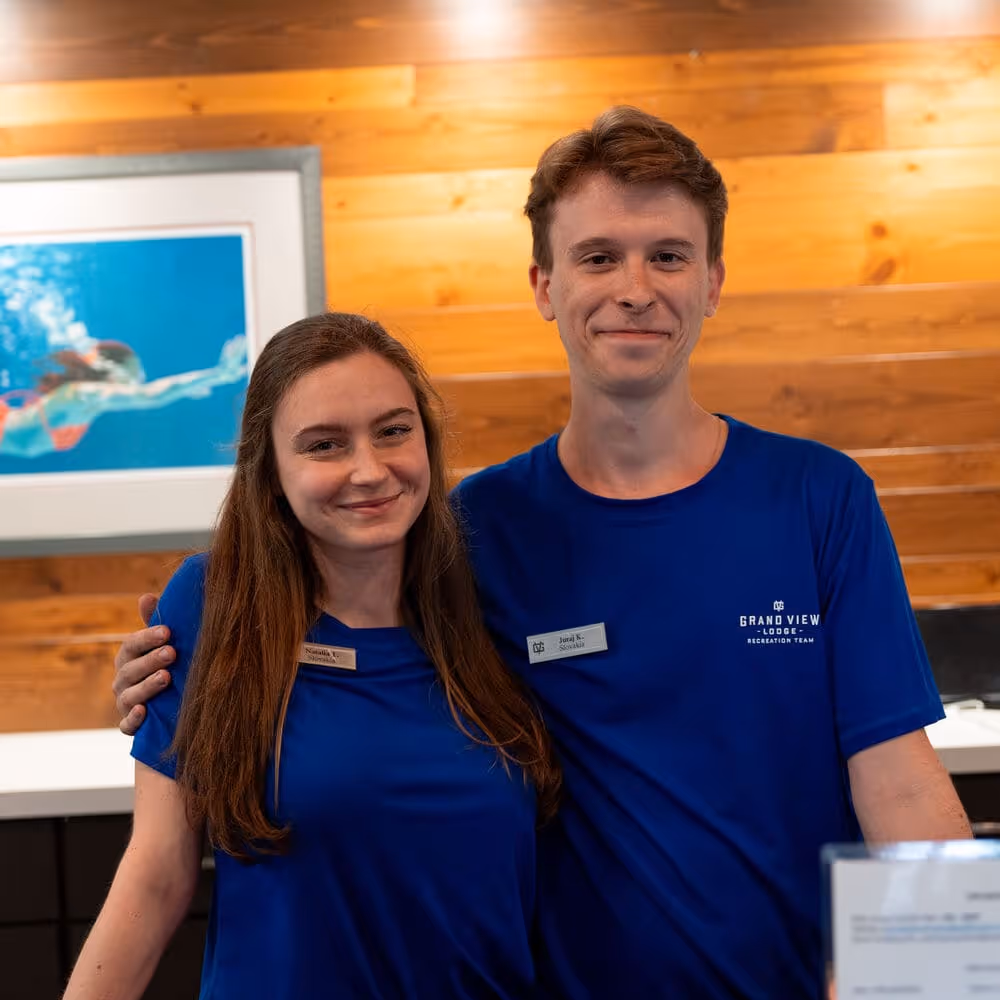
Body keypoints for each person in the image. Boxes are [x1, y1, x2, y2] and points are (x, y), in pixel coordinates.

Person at [112, 107, 971, 999]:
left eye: (668, 255)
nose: (634, 287)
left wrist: (935, 982)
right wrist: (178, 658)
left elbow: (904, 794)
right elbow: (326, 635)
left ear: (713, 280)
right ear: (544, 285)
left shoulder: (818, 498)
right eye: (598, 256)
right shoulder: (469, 532)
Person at [67, 313, 560, 1000]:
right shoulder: (214, 604)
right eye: (325, 445)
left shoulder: (489, 603)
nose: (369, 470)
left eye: (393, 430)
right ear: (270, 472)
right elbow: (156, 875)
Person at [0, 335, 247, 457]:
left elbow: (152, 394)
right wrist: (219, 374)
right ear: (112, 369)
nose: (137, 384)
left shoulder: (91, 402)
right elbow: (149, 395)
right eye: (135, 375)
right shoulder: (81, 394)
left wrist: (183, 389)